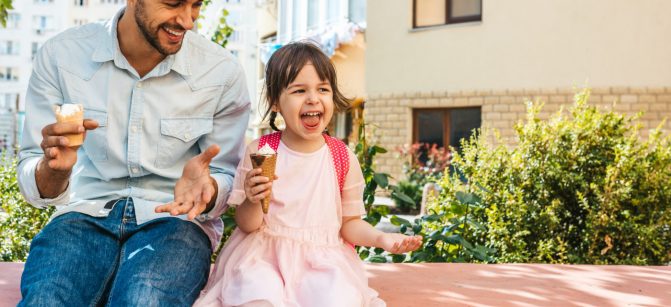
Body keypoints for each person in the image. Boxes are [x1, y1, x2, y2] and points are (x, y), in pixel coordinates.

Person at [16, 0, 250, 305]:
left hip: (175, 222)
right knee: (46, 300)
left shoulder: (222, 72)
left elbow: (225, 176)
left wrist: (209, 189)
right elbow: (34, 177)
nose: (188, 21)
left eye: (195, 5)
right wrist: (54, 171)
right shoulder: (62, 56)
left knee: (144, 300)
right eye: (173, 4)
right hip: (83, 215)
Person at [194, 41, 423, 307]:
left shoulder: (341, 157)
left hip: (321, 262)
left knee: (337, 298)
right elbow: (247, 224)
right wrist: (252, 199)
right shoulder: (263, 151)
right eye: (299, 90)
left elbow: (349, 224)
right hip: (263, 258)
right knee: (256, 295)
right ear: (275, 102)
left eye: (323, 89)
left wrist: (381, 238)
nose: (313, 98)